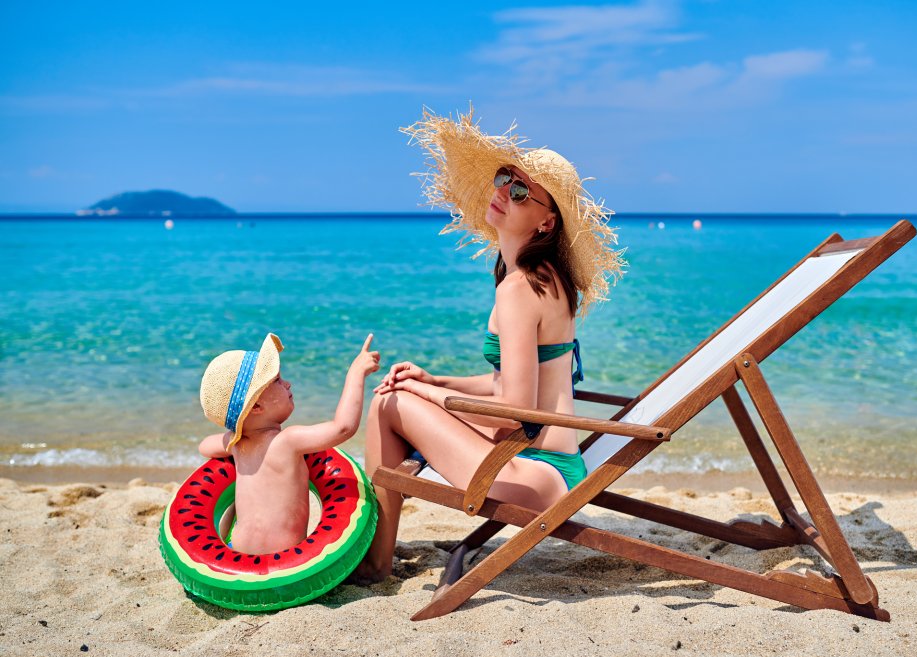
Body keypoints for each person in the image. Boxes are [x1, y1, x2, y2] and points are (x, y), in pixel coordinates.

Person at [354, 110, 625, 581]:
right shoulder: (543, 280)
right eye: (505, 179)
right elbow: (514, 385)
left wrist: (427, 396)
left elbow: (516, 410)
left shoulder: (520, 290)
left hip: (533, 474)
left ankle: (376, 562)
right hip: (551, 464)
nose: (504, 192)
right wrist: (438, 380)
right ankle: (377, 551)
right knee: (404, 395)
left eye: (521, 191)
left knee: (388, 404)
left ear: (546, 222)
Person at [198, 332, 380, 555]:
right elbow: (343, 428)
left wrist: (232, 436)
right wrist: (356, 373)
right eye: (276, 380)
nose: (287, 383)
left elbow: (204, 446)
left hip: (238, 555)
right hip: (285, 563)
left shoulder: (236, 445)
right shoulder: (287, 441)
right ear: (255, 407)